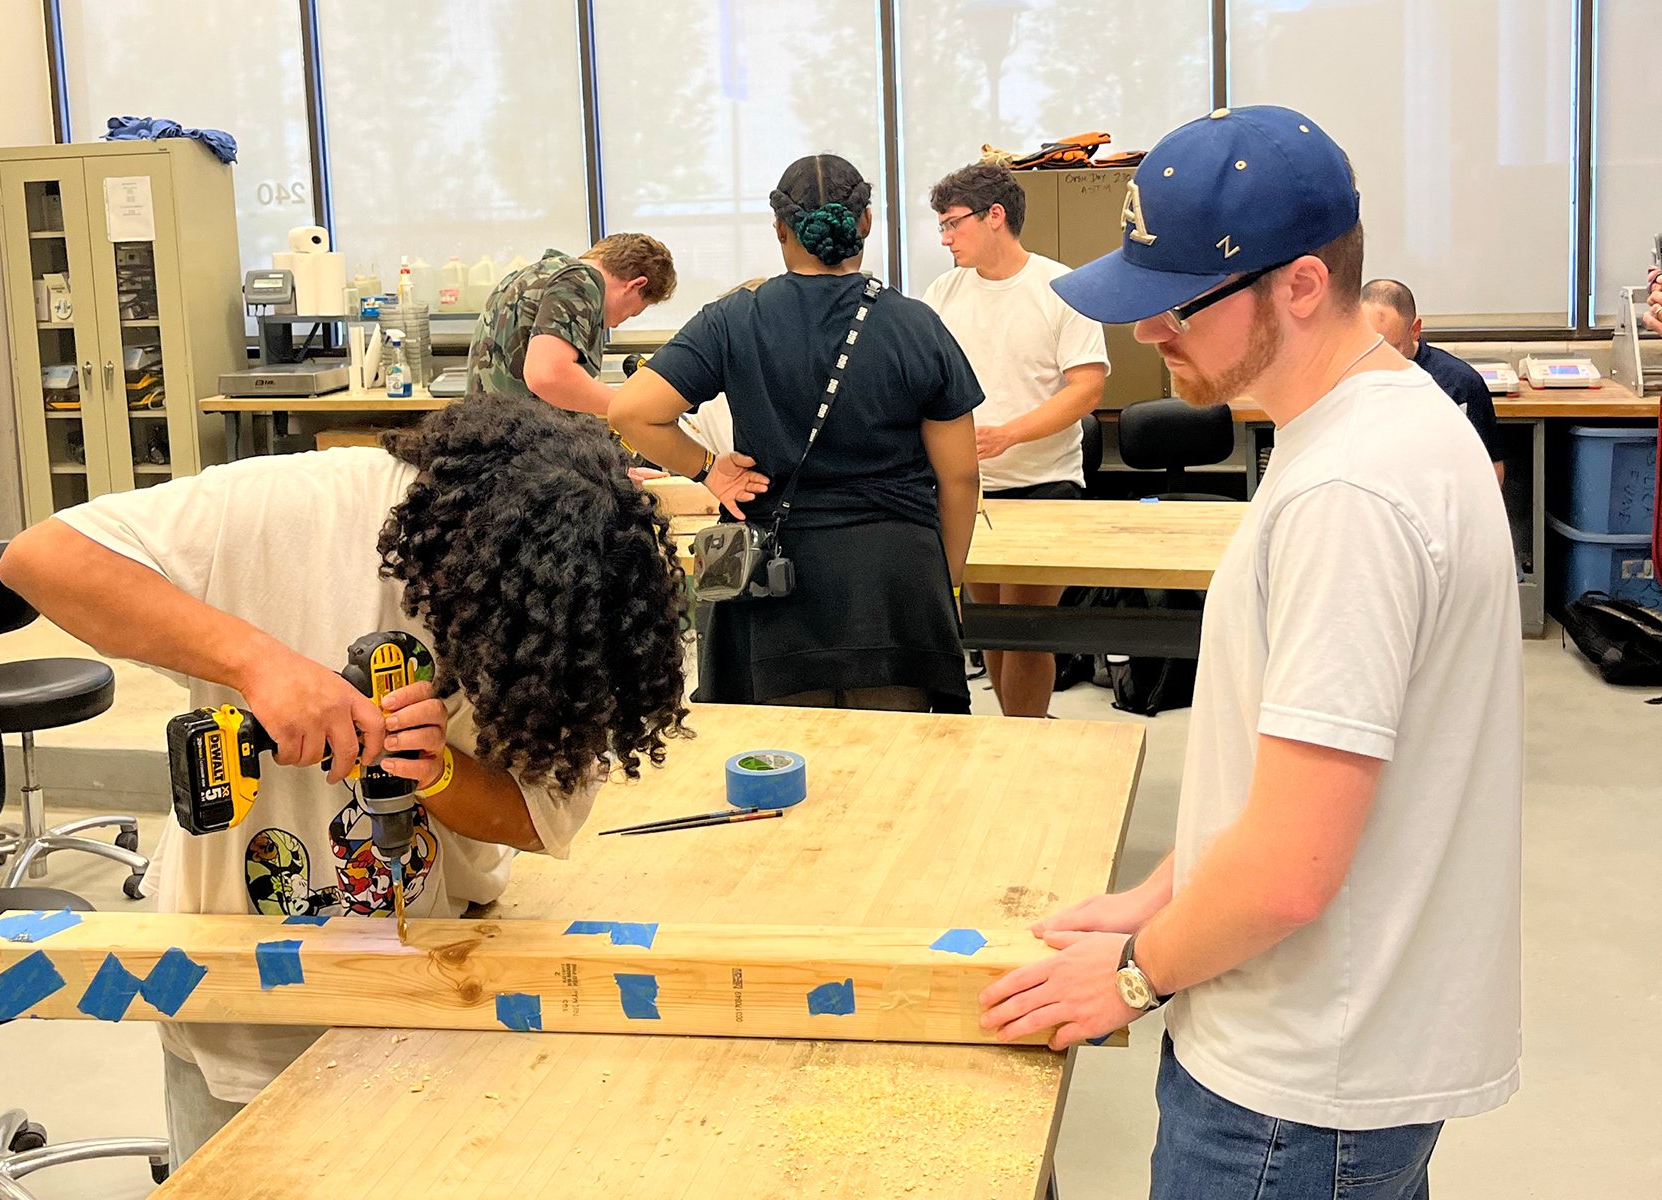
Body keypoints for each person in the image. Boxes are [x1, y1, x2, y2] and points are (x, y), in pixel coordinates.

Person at [977, 106, 1522, 1198]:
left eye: (1176, 303)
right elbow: (1293, 786)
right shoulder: (1385, 428)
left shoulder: (1350, 494)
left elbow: (1289, 870)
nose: (1148, 334)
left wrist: (1132, 977)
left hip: (1294, 1087)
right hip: (1338, 1051)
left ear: (1303, 285)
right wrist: (1159, 896)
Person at [0, 400, 690, 1169]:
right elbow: (40, 558)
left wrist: (438, 771)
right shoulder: (298, 506)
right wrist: (261, 664)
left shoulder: (574, 601)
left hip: (440, 983)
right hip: (242, 992)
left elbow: (537, 819)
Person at [609, 154, 983, 712]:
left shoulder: (733, 318)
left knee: (780, 774)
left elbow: (631, 412)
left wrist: (710, 470)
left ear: (780, 229)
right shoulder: (915, 324)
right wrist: (943, 585)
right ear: (867, 223)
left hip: (771, 582)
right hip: (892, 582)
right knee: (898, 773)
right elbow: (961, 477)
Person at [921, 161, 1110, 717]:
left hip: (1043, 483)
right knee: (994, 631)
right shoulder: (943, 291)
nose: (946, 237)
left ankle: (1023, 737)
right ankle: (1015, 736)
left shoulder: (1060, 288)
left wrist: (1009, 434)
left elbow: (1087, 387)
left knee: (1027, 631)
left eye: (953, 224)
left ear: (994, 216)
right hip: (968, 489)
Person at [467, 233, 677, 414]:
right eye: (631, 313)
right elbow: (548, 375)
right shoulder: (582, 280)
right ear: (635, 285)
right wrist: (632, 407)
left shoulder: (526, 276)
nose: (616, 325)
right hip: (520, 451)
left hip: (483, 443)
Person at [1361, 278, 1505, 486]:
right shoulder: (1348, 378)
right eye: (1371, 348)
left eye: (1393, 349)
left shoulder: (1460, 384)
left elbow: (1490, 470)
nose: (1380, 361)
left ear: (1415, 330)